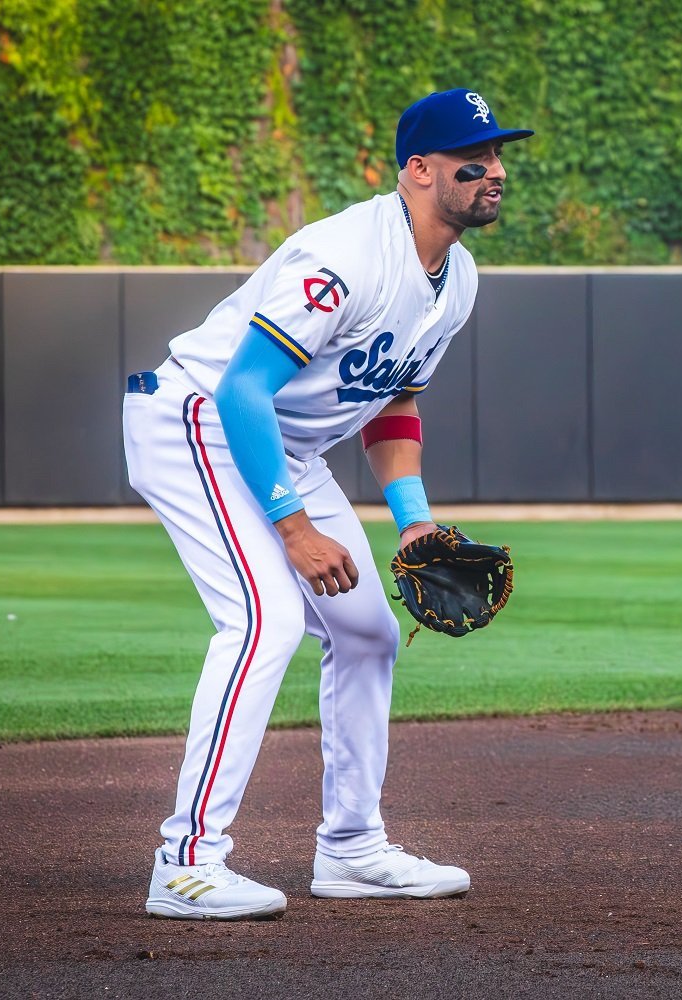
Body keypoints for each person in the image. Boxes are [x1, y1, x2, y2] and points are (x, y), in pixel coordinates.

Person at [123, 88, 533, 919]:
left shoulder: (457, 278)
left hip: (282, 443)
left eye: (497, 156)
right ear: (419, 171)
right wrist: (293, 525)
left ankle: (350, 848)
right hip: (196, 418)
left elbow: (394, 402)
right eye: (473, 157)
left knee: (368, 632)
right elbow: (243, 387)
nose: (493, 170)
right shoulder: (345, 255)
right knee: (264, 620)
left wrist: (412, 516)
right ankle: (187, 862)